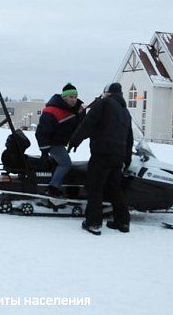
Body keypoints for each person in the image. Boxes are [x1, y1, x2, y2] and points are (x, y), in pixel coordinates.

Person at [67, 82, 133, 235]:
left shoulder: (103, 104)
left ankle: (94, 223)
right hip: (118, 155)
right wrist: (127, 158)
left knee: (95, 187)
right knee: (115, 188)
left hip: (102, 153)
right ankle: (122, 222)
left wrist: (74, 140)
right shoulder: (125, 111)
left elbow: (88, 124)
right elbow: (129, 137)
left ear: (108, 92)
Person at [35, 82, 85, 197]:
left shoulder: (74, 109)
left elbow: (83, 122)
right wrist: (44, 152)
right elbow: (41, 133)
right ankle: (52, 188)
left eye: (75, 97)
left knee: (61, 162)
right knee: (66, 163)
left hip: (60, 143)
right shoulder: (51, 111)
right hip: (52, 143)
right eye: (71, 97)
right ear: (64, 97)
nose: (74, 100)